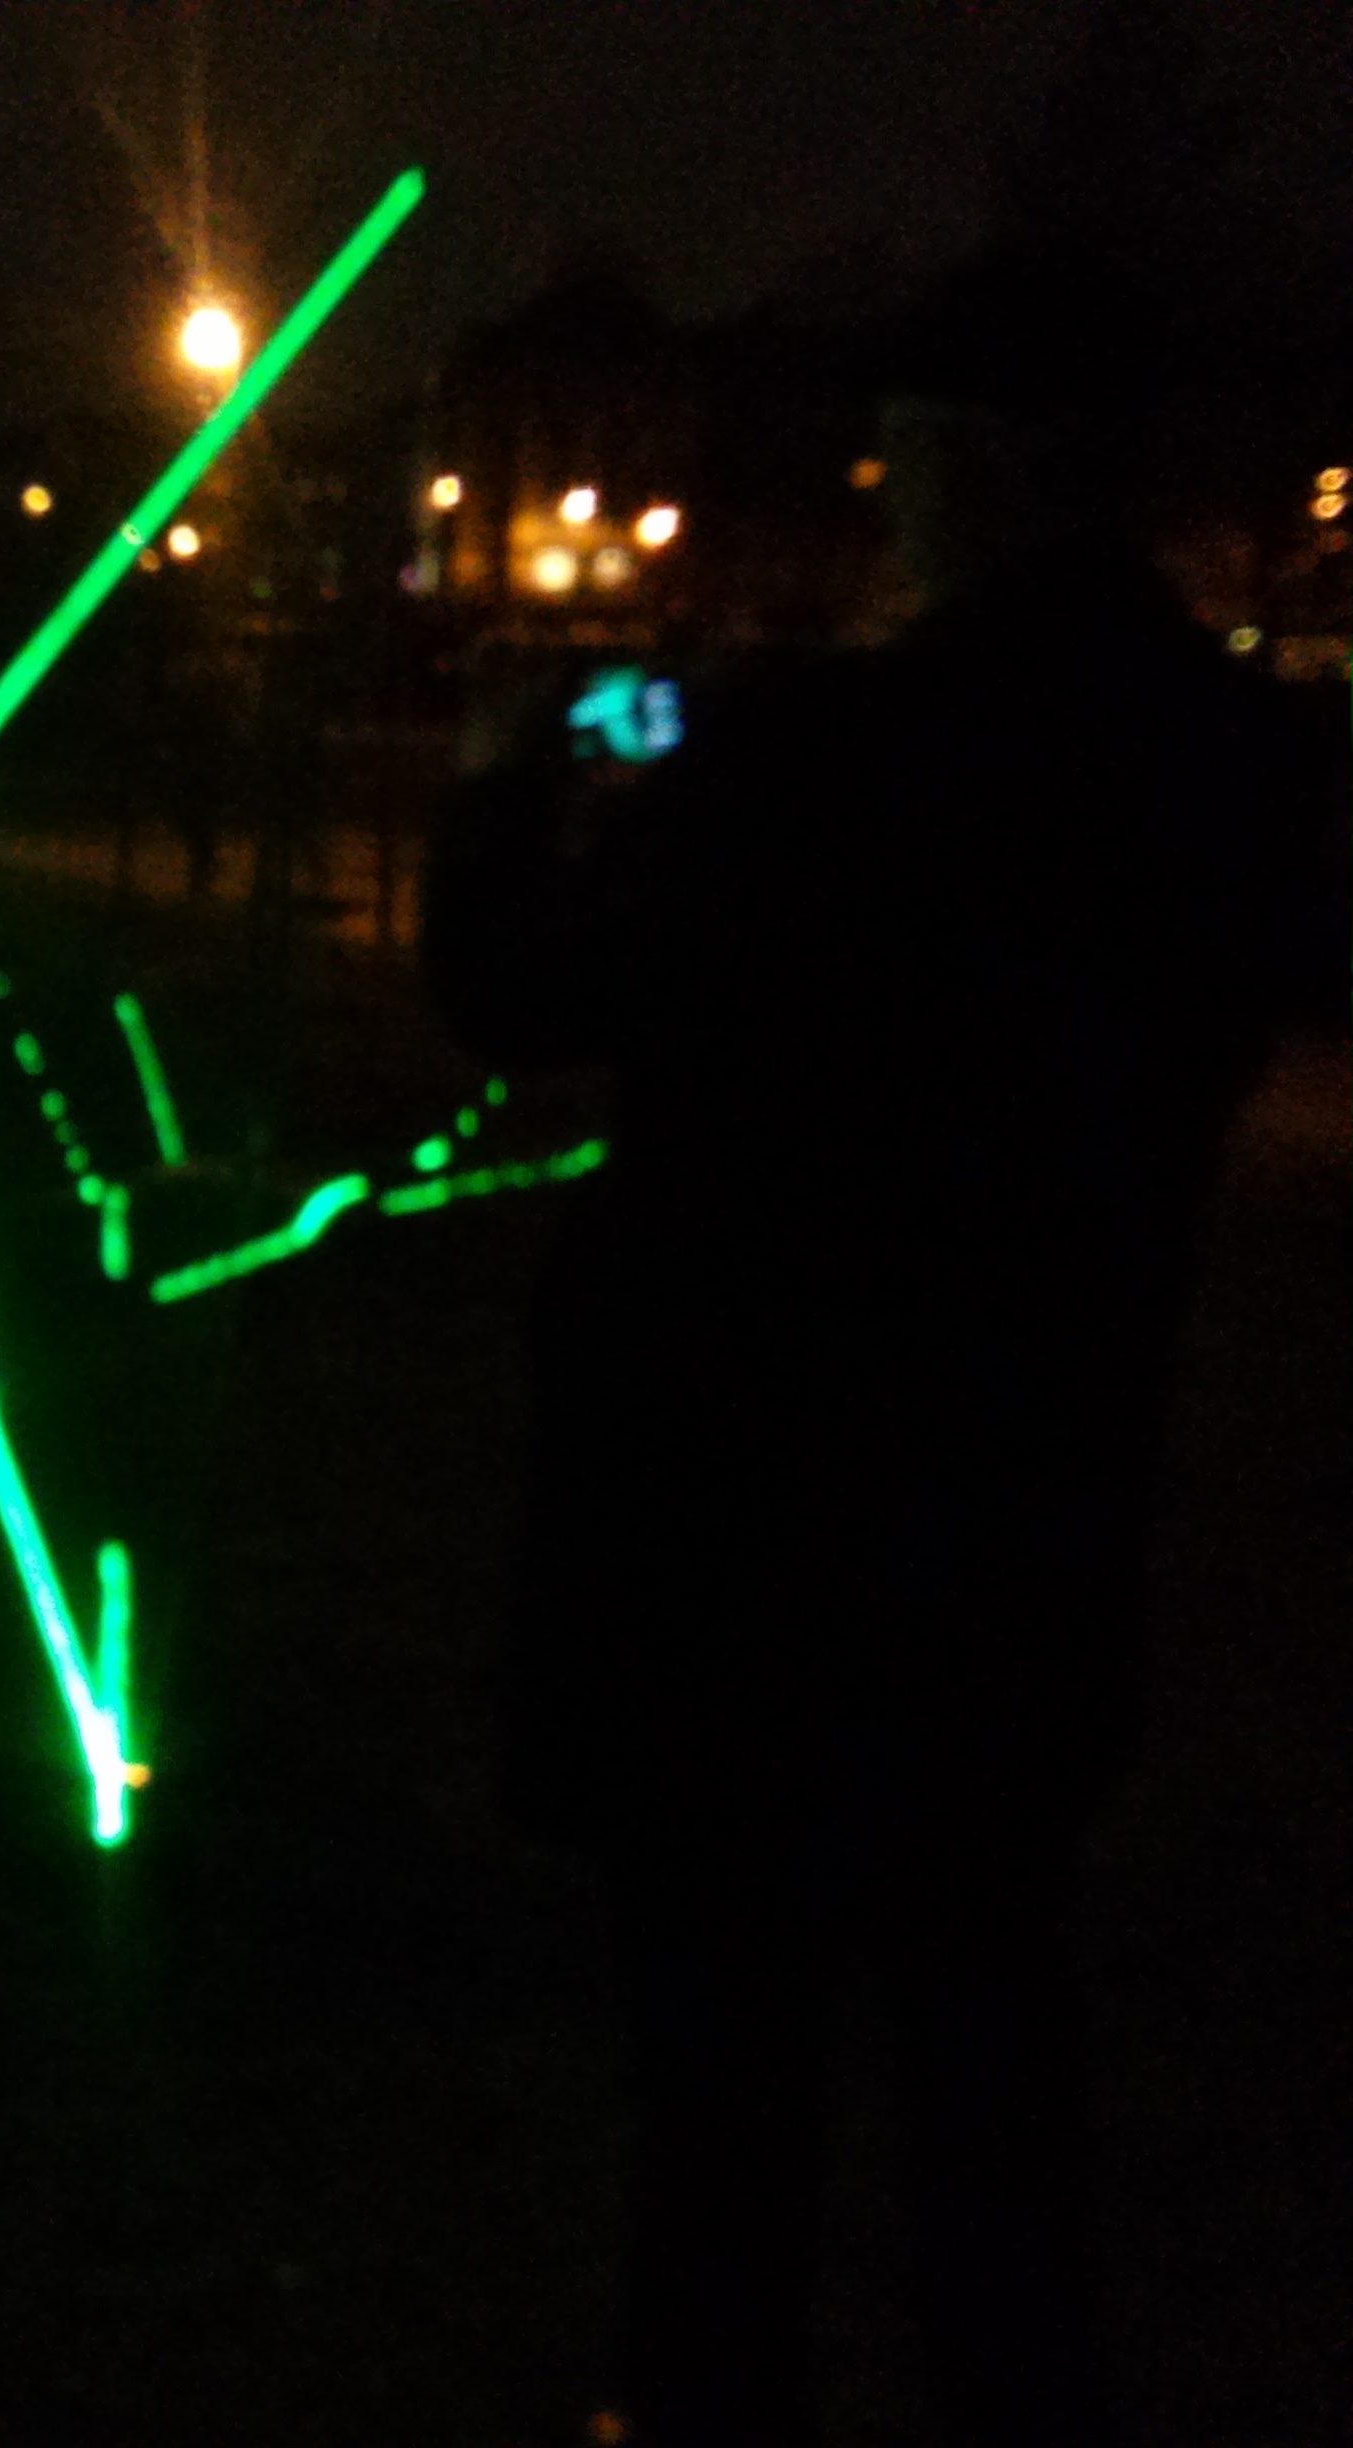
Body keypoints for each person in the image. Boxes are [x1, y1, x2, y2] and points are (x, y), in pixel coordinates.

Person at [421, 240, 1344, 2448]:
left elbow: (528, 999)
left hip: (746, 1521)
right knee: (990, 2029)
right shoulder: (1235, 770)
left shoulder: (826, 757)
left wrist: (499, 789)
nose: (882, 494)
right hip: (1035, 1497)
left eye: (906, 456)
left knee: (725, 2077)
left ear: (979, 466)